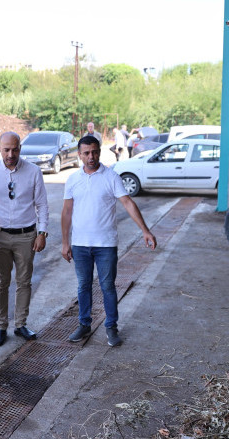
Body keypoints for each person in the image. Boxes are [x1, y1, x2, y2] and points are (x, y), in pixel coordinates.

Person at [61, 135, 157, 347]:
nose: (91, 156)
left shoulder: (111, 177)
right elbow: (67, 212)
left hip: (105, 244)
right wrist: (65, 242)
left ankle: (111, 327)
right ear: (79, 155)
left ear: (100, 151)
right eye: (86, 153)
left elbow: (128, 203)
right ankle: (84, 324)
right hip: (80, 244)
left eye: (95, 152)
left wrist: (145, 230)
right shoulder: (73, 179)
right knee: (83, 286)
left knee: (107, 286)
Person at [0, 131, 49, 347]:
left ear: (20, 148)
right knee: (1, 282)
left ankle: (20, 324)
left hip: (26, 235)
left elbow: (42, 204)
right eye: (6, 149)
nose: (11, 153)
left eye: (15, 149)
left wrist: (42, 233)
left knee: (24, 281)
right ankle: (1, 327)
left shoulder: (33, 171)